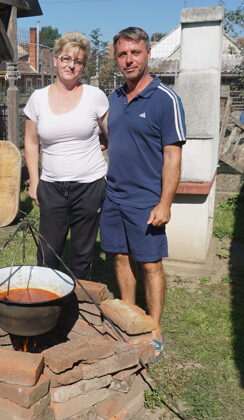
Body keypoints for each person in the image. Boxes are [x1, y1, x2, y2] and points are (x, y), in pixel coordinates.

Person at [100, 27, 186, 361]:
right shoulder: (113, 99)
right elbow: (108, 139)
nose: (129, 60)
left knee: (150, 264)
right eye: (122, 54)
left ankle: (154, 330)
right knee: (120, 257)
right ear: (116, 58)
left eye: (135, 52)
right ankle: (130, 319)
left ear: (148, 53)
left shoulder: (165, 99)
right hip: (114, 195)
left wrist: (165, 203)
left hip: (146, 199)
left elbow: (173, 156)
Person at [24, 31, 109, 280]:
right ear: (55, 60)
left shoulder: (95, 96)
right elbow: (31, 142)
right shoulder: (38, 98)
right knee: (48, 254)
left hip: (90, 186)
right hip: (52, 186)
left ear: (83, 65)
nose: (71, 65)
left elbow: (112, 134)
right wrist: (34, 181)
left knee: (82, 255)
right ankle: (46, 299)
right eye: (66, 58)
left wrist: (103, 145)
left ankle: (79, 301)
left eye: (78, 61)